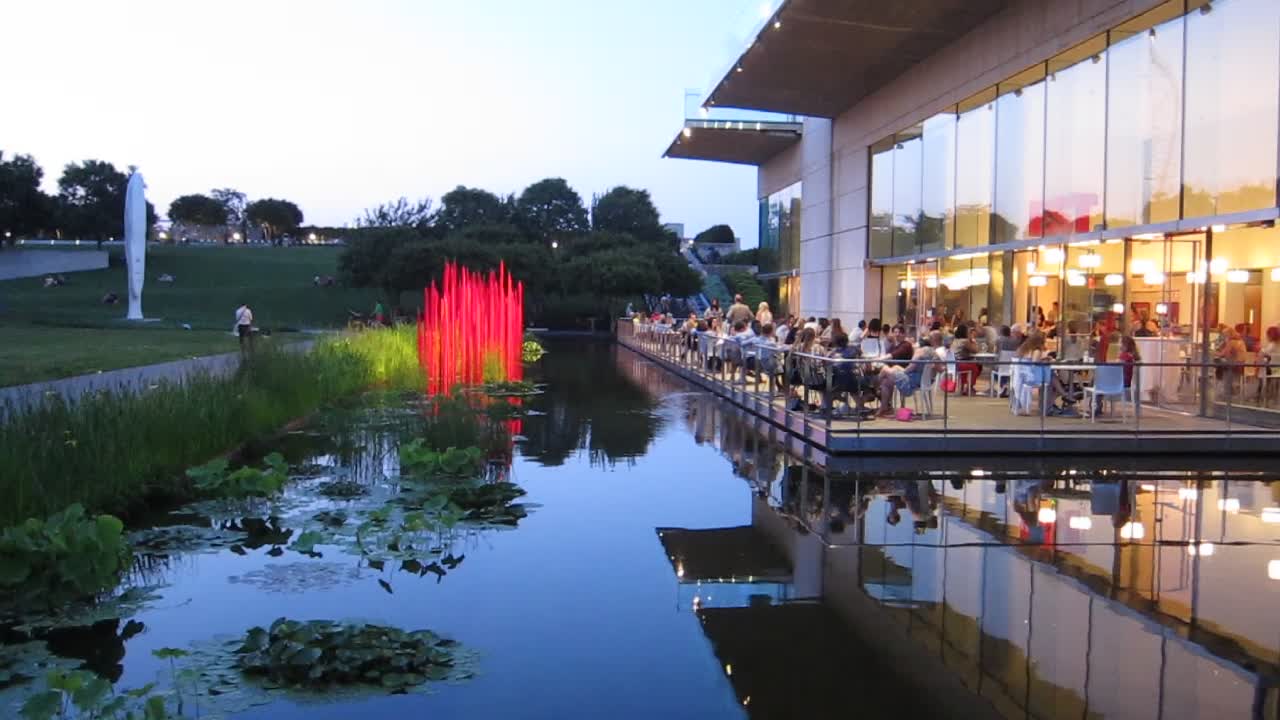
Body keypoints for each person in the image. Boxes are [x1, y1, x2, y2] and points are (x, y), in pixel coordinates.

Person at [877, 333, 940, 416]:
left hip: (911, 382)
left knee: (885, 369)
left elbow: (910, 368)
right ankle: (884, 407)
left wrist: (900, 372)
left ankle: (875, 387)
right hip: (924, 380)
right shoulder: (933, 353)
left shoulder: (919, 352)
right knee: (887, 379)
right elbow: (941, 368)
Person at [951, 324, 982, 395]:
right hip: (961, 363)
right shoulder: (965, 341)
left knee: (973, 364)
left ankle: (962, 387)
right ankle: (969, 387)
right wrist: (972, 340)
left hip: (955, 363)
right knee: (976, 367)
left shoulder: (955, 340)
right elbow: (975, 350)